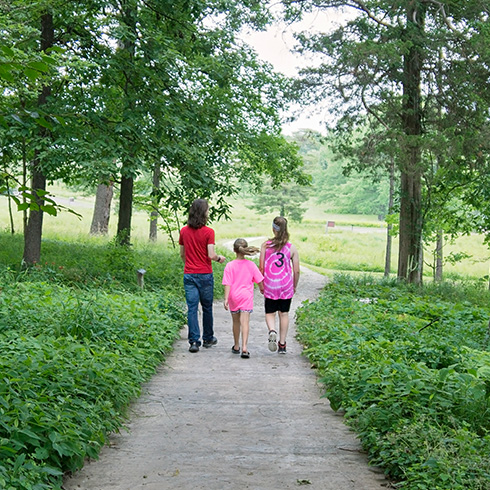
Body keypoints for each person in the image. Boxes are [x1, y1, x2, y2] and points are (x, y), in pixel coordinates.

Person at [179, 199, 226, 353]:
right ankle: (208, 338)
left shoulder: (184, 231)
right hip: (205, 274)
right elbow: (211, 254)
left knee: (192, 308)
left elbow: (182, 255)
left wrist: (190, 264)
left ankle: (193, 341)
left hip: (190, 274)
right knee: (207, 307)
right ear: (204, 213)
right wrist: (219, 258)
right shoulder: (208, 232)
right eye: (207, 210)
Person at [259, 216, 300, 354]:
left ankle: (272, 331)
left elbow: (261, 268)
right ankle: (282, 344)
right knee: (284, 314)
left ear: (273, 228)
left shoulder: (266, 245)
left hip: (270, 284)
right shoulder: (291, 248)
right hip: (286, 285)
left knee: (270, 312)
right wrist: (294, 286)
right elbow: (297, 270)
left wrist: (261, 284)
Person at [222, 239, 264, 359]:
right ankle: (244, 348)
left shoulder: (230, 266)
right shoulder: (251, 265)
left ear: (234, 250)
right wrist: (261, 289)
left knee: (236, 322)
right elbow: (259, 280)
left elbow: (227, 283)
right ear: (246, 250)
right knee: (245, 322)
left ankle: (236, 346)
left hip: (233, 296)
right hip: (246, 296)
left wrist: (226, 299)